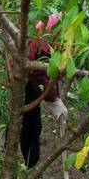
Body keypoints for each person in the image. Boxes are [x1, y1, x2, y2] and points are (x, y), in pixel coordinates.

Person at [18, 14, 68, 169]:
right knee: (30, 125)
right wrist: (54, 100)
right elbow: (38, 72)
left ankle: (13, 154)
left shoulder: (52, 30)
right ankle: (29, 167)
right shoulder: (41, 39)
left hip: (28, 82)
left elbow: (52, 69)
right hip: (25, 83)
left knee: (23, 122)